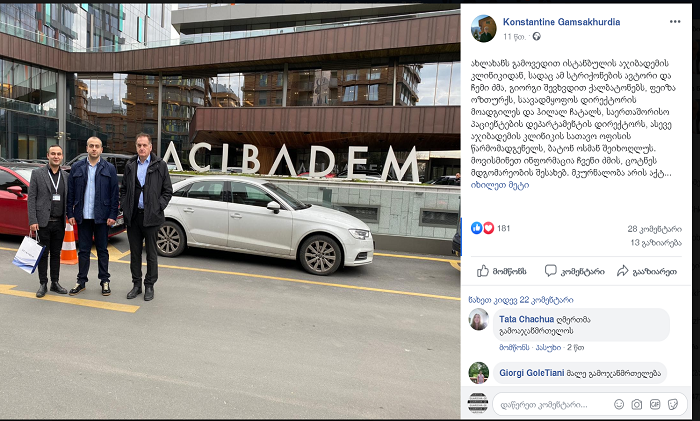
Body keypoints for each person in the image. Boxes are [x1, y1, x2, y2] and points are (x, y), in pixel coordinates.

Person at [120, 133, 172, 301]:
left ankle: (149, 285)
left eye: (144, 145)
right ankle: (136, 285)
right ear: (136, 147)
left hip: (152, 217)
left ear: (150, 147)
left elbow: (167, 191)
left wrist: (158, 207)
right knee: (135, 254)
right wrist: (125, 206)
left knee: (151, 254)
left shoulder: (160, 165)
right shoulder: (130, 165)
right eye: (139, 145)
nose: (141, 148)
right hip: (134, 217)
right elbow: (124, 189)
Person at [67, 137, 119, 296]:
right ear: (87, 148)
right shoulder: (77, 167)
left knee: (102, 250)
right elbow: (70, 192)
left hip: (102, 217)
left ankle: (105, 281)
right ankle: (81, 281)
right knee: (83, 251)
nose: (94, 148)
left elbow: (114, 194)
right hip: (83, 216)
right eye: (91, 146)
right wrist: (70, 213)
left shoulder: (109, 168)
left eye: (97, 146)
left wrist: (113, 214)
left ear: (101, 149)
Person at [27, 144, 69, 298]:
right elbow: (31, 198)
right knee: (43, 254)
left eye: (58, 154)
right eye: (53, 154)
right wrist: (32, 220)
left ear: (62, 157)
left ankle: (55, 283)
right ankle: (43, 283)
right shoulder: (37, 174)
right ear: (48, 156)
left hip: (59, 222)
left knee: (56, 254)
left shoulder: (66, 176)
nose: (56, 156)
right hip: (42, 222)